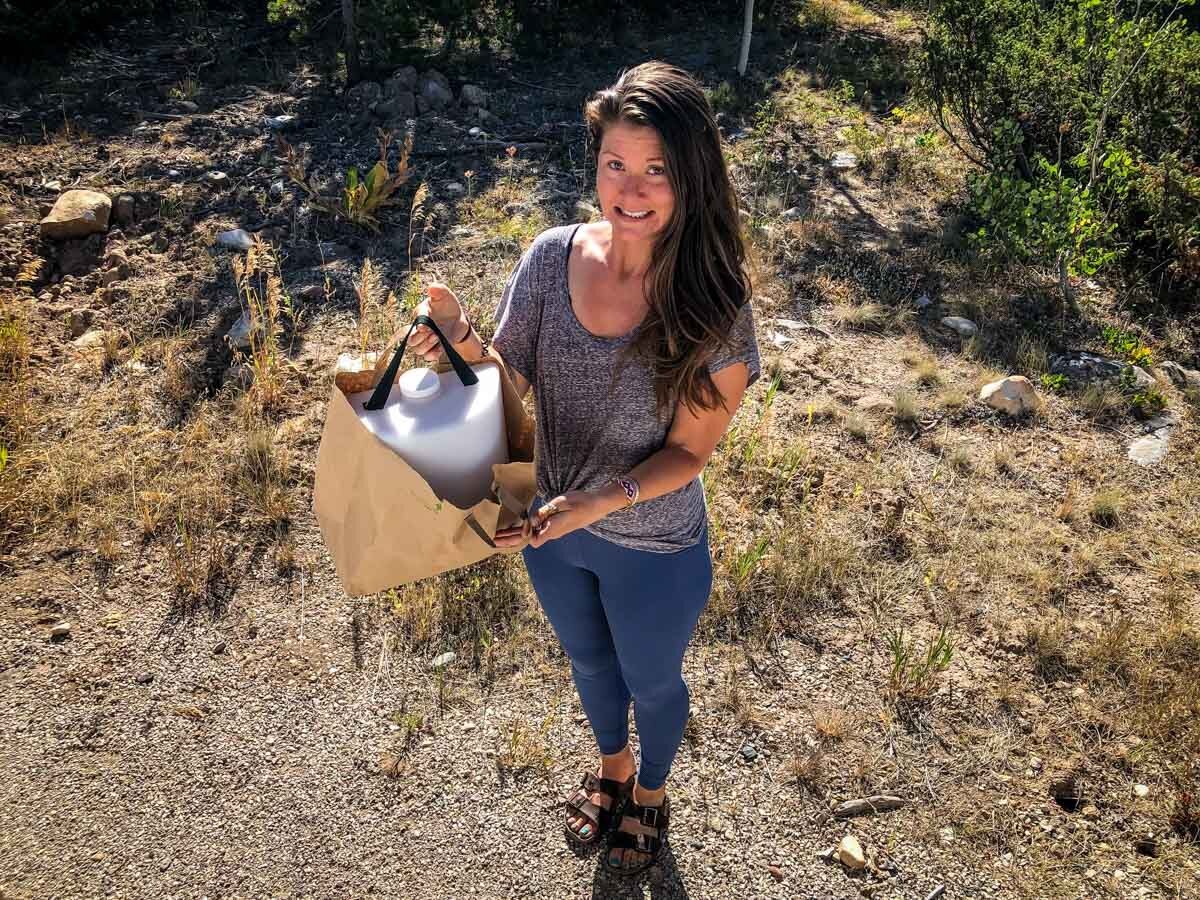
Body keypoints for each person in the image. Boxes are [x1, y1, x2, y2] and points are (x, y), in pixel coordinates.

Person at [405, 60, 760, 876]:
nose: (631, 189)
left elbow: (690, 454)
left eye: (657, 169)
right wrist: (457, 338)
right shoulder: (548, 257)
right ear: (595, 162)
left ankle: (653, 795)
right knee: (590, 664)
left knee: (653, 680)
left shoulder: (714, 300)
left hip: (655, 545)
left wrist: (596, 502)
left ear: (692, 175)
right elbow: (508, 382)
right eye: (615, 164)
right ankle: (613, 773)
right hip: (551, 531)